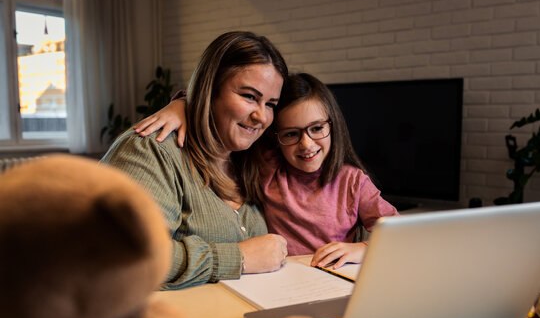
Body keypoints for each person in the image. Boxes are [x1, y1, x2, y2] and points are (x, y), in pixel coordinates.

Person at [135, 73, 398, 270]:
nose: (306, 144)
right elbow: (224, 121)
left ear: (333, 125)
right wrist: (183, 105)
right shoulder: (267, 164)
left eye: (317, 128)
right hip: (276, 281)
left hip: (331, 281)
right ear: (276, 137)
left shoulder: (352, 182)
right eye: (291, 134)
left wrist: (361, 249)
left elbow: (398, 233)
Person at [101, 31, 289, 290]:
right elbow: (126, 255)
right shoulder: (151, 149)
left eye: (271, 104)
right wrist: (240, 258)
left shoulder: (254, 157)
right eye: (249, 96)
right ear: (210, 90)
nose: (262, 117)